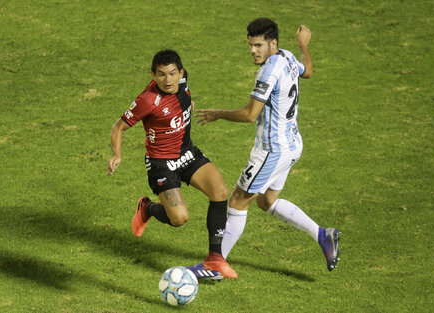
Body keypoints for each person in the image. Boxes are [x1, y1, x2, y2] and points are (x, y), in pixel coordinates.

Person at [188, 18, 340, 280]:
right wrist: (304, 45)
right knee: (266, 201)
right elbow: (309, 70)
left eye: (258, 45)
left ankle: (215, 266)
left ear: (273, 43)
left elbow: (250, 114)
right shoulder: (289, 56)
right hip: (293, 144)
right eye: (250, 45)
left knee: (237, 200)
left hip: (272, 150)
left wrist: (219, 113)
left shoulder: (269, 71)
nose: (253, 51)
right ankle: (322, 235)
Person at [107, 49, 237, 279]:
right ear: (153, 75)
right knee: (179, 219)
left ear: (181, 72)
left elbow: (184, 96)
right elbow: (119, 126)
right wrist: (117, 155)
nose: (167, 80)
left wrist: (188, 104)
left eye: (172, 73)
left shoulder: (183, 82)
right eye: (161, 75)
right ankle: (147, 208)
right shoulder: (147, 100)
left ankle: (215, 259)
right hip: (162, 164)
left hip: (187, 154)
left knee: (220, 192)